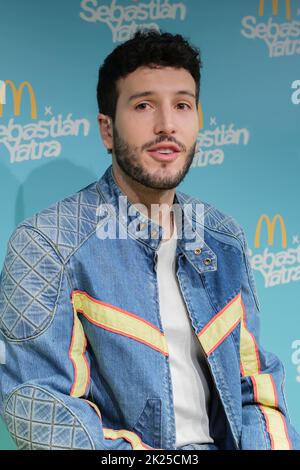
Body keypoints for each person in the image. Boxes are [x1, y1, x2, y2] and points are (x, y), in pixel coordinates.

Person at [0, 30, 299, 451]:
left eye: (182, 105)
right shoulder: (47, 244)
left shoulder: (221, 236)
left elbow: (259, 388)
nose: (167, 125)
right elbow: (39, 409)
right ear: (107, 130)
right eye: (143, 105)